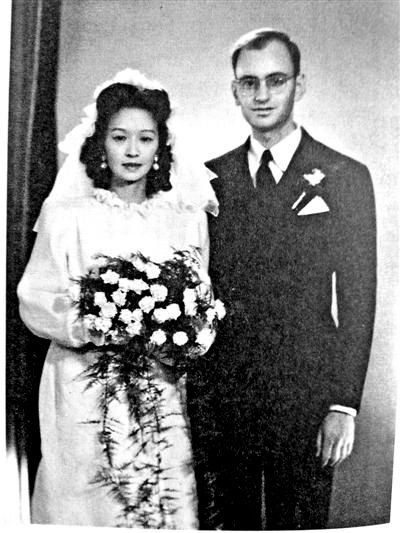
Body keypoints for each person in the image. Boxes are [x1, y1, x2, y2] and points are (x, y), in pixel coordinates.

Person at [188, 28, 376, 530]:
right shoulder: (209, 179)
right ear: (234, 91)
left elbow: (358, 298)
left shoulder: (344, 176)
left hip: (308, 396)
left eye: (276, 80)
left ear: (299, 84)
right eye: (249, 83)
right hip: (226, 397)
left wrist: (344, 405)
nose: (262, 95)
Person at [17, 69, 218, 528]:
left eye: (145, 139)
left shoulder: (185, 218)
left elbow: (201, 300)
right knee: (86, 497)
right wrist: (95, 323)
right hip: (81, 384)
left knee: (157, 495)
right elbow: (35, 299)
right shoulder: (67, 216)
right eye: (119, 137)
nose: (132, 151)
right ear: (100, 143)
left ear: (160, 146)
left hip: (157, 382)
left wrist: (178, 335)